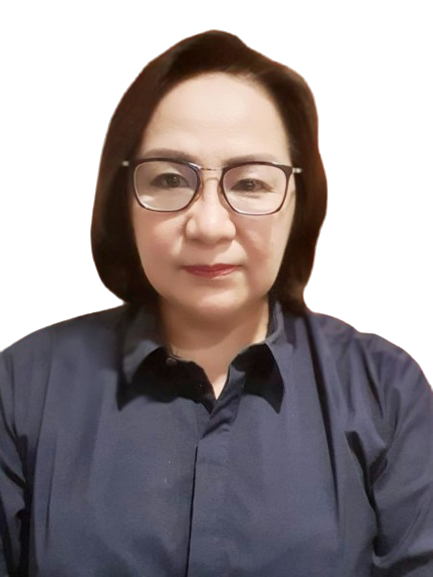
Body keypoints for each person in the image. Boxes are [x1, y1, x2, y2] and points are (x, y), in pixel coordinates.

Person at [1, 30, 432, 577]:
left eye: (250, 183)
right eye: (168, 178)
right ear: (122, 200)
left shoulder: (384, 391)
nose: (208, 225)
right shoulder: (21, 389)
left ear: (299, 202)